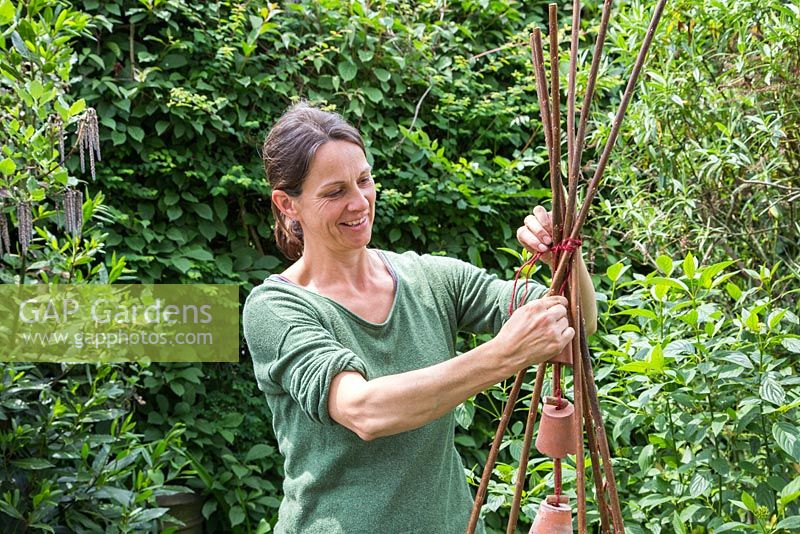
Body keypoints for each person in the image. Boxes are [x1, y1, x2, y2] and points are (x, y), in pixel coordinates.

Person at [242, 102, 597, 534]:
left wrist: (563, 255)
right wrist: (503, 356)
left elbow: (574, 323)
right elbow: (363, 410)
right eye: (335, 192)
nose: (359, 202)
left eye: (364, 180)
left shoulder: (430, 279)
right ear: (288, 204)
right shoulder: (276, 308)